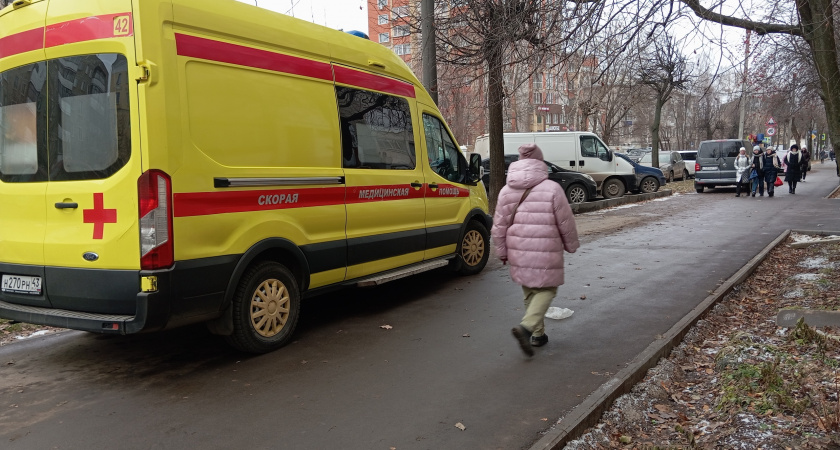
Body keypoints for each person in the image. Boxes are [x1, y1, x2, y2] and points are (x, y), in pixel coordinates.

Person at [491, 143, 580, 357]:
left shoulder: (506, 191)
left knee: (530, 290)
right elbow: (565, 222)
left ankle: (538, 335)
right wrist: (571, 245)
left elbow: (499, 225)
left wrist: (502, 251)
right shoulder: (552, 189)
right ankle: (528, 326)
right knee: (547, 289)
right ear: (540, 163)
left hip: (518, 250)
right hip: (546, 249)